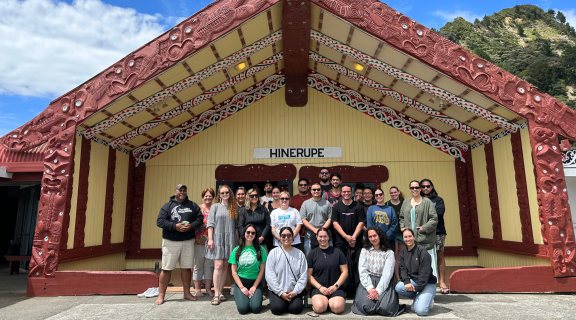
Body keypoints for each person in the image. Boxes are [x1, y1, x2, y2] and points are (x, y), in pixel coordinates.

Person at [155, 184, 203, 305]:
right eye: (180, 190)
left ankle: (186, 293)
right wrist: (174, 226)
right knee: (166, 268)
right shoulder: (167, 206)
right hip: (171, 242)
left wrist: (191, 226)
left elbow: (200, 219)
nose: (182, 192)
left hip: (187, 241)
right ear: (175, 192)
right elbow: (160, 221)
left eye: (184, 190)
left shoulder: (193, 205)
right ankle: (161, 295)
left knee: (186, 268)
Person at [352, 227, 405, 316]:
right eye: (370, 237)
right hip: (368, 281)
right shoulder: (364, 251)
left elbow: (387, 274)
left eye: (375, 236)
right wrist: (370, 288)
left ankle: (380, 302)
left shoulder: (389, 253)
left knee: (386, 309)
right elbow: (362, 270)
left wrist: (378, 291)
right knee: (365, 307)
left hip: (384, 282)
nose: (373, 239)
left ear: (380, 236)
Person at [205, 185, 238, 305]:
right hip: (217, 239)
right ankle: (216, 294)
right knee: (218, 266)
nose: (225, 194)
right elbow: (210, 224)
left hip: (230, 240)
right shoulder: (215, 207)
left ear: (230, 193)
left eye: (227, 192)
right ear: (219, 194)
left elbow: (235, 228)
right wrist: (210, 239)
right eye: (222, 193)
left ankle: (221, 291)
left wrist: (238, 242)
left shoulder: (233, 208)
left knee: (225, 266)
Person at [398, 180, 438, 281]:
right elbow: (401, 217)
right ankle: (416, 286)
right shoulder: (406, 202)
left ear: (420, 189)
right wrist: (402, 226)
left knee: (427, 264)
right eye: (412, 188)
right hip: (410, 241)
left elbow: (434, 218)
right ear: (410, 189)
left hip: (424, 239)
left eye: (416, 187)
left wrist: (424, 228)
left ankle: (429, 288)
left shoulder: (427, 202)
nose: (414, 190)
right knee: (414, 265)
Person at [331, 185, 365, 298]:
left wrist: (353, 237)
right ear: (341, 193)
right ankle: (344, 290)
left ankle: (357, 290)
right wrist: (346, 237)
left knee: (357, 266)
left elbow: (361, 223)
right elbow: (335, 223)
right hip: (341, 241)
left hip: (357, 241)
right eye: (344, 191)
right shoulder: (336, 207)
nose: (346, 193)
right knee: (343, 266)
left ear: (352, 192)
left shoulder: (358, 206)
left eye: (348, 191)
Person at [266, 227, 308, 315]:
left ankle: (288, 302)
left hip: (293, 291)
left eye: (289, 235)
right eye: (283, 235)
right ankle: (279, 301)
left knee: (296, 308)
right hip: (277, 290)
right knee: (277, 309)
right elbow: (269, 275)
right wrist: (280, 292)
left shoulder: (300, 254)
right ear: (280, 237)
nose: (286, 237)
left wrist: (295, 292)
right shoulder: (273, 253)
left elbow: (303, 275)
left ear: (293, 237)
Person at [395, 229, 437, 316]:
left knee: (421, 311)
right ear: (403, 239)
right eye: (405, 237)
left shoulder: (422, 251)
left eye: (410, 236)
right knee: (399, 287)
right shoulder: (402, 252)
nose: (408, 239)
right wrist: (406, 282)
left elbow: (425, 272)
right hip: (414, 281)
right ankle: (419, 297)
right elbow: (402, 269)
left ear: (414, 237)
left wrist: (418, 288)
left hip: (427, 283)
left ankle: (428, 298)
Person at [307, 227, 348, 315]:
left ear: (329, 237)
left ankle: (331, 303)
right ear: (317, 237)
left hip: (335, 287)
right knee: (319, 308)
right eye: (320, 236)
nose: (323, 239)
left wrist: (335, 286)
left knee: (337, 308)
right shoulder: (312, 254)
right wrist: (320, 287)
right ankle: (325, 303)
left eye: (325, 236)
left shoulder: (338, 252)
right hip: (319, 288)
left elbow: (345, 271)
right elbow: (308, 275)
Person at [229, 224, 267, 314]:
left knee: (255, 309)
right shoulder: (236, 250)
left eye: (253, 233)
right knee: (243, 309)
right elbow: (234, 272)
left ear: (255, 235)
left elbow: (262, 270)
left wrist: (254, 287)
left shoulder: (261, 250)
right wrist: (242, 288)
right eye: (248, 232)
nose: (250, 234)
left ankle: (256, 297)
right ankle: (242, 296)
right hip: (241, 283)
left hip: (256, 283)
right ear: (244, 234)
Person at [420, 179, 448, 294]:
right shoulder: (418, 200)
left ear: (431, 187)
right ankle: (423, 282)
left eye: (428, 186)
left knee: (439, 256)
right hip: (422, 233)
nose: (425, 188)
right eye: (423, 186)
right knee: (422, 257)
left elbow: (439, 213)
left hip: (438, 232)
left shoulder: (438, 200)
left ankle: (441, 282)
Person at [193, 188, 215, 298]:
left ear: (213, 197)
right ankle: (197, 289)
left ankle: (208, 289)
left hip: (212, 242)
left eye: (210, 195)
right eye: (206, 195)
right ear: (203, 197)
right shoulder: (198, 209)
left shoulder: (215, 209)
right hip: (199, 241)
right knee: (198, 265)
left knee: (209, 266)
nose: (208, 197)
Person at [300, 183, 332, 256]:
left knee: (328, 258)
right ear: (311, 191)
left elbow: (330, 218)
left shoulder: (327, 203)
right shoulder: (305, 203)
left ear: (321, 191)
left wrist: (322, 230)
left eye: (318, 189)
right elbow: (303, 219)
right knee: (310, 259)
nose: (316, 191)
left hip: (325, 236)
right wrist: (314, 230)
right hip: (309, 237)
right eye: (314, 189)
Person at [385, 186, 405, 280]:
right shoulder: (387, 204)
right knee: (395, 256)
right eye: (391, 193)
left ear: (399, 192)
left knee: (402, 256)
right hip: (392, 234)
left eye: (395, 192)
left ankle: (404, 276)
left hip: (403, 234)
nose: (393, 194)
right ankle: (397, 278)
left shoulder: (404, 204)